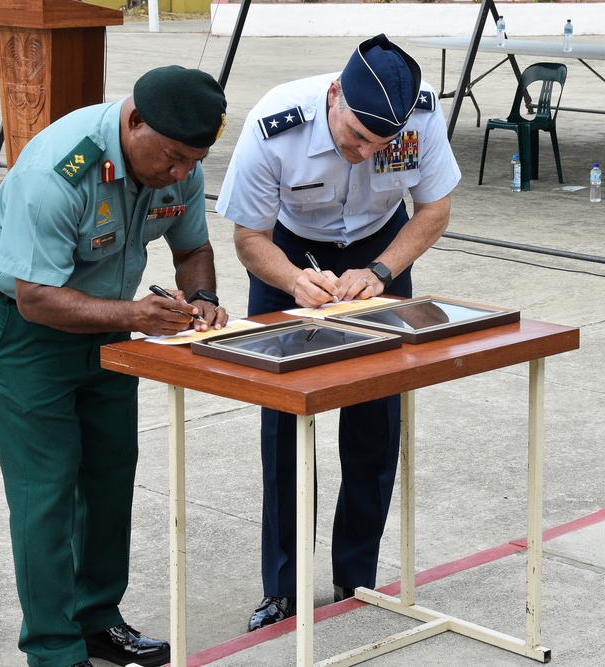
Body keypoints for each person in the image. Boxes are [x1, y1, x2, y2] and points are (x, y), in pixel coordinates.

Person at [0, 65, 229, 667]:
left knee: (109, 478)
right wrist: (136, 312)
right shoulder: (62, 169)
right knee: (46, 492)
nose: (181, 175)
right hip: (19, 335)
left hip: (106, 331)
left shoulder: (178, 160)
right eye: (175, 159)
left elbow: (193, 247)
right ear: (135, 122)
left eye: (193, 162)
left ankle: (96, 620)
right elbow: (36, 297)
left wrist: (203, 299)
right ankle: (54, 650)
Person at [216, 34, 461, 632]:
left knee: (375, 422)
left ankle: (357, 581)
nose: (361, 151)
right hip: (288, 255)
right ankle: (284, 589)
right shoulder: (275, 125)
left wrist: (382, 271)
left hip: (380, 250)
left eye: (377, 145)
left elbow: (434, 209)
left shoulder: (421, 116)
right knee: (285, 427)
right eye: (353, 136)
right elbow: (249, 237)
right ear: (333, 95)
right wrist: (296, 281)